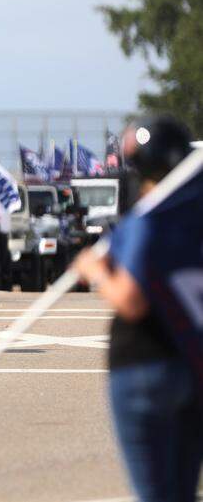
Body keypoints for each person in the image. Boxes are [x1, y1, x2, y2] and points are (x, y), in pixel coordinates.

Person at [73, 115, 201, 502]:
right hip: (191, 365)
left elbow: (130, 299)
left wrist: (94, 270)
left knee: (155, 493)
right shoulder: (194, 220)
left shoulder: (150, 221)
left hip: (144, 364)